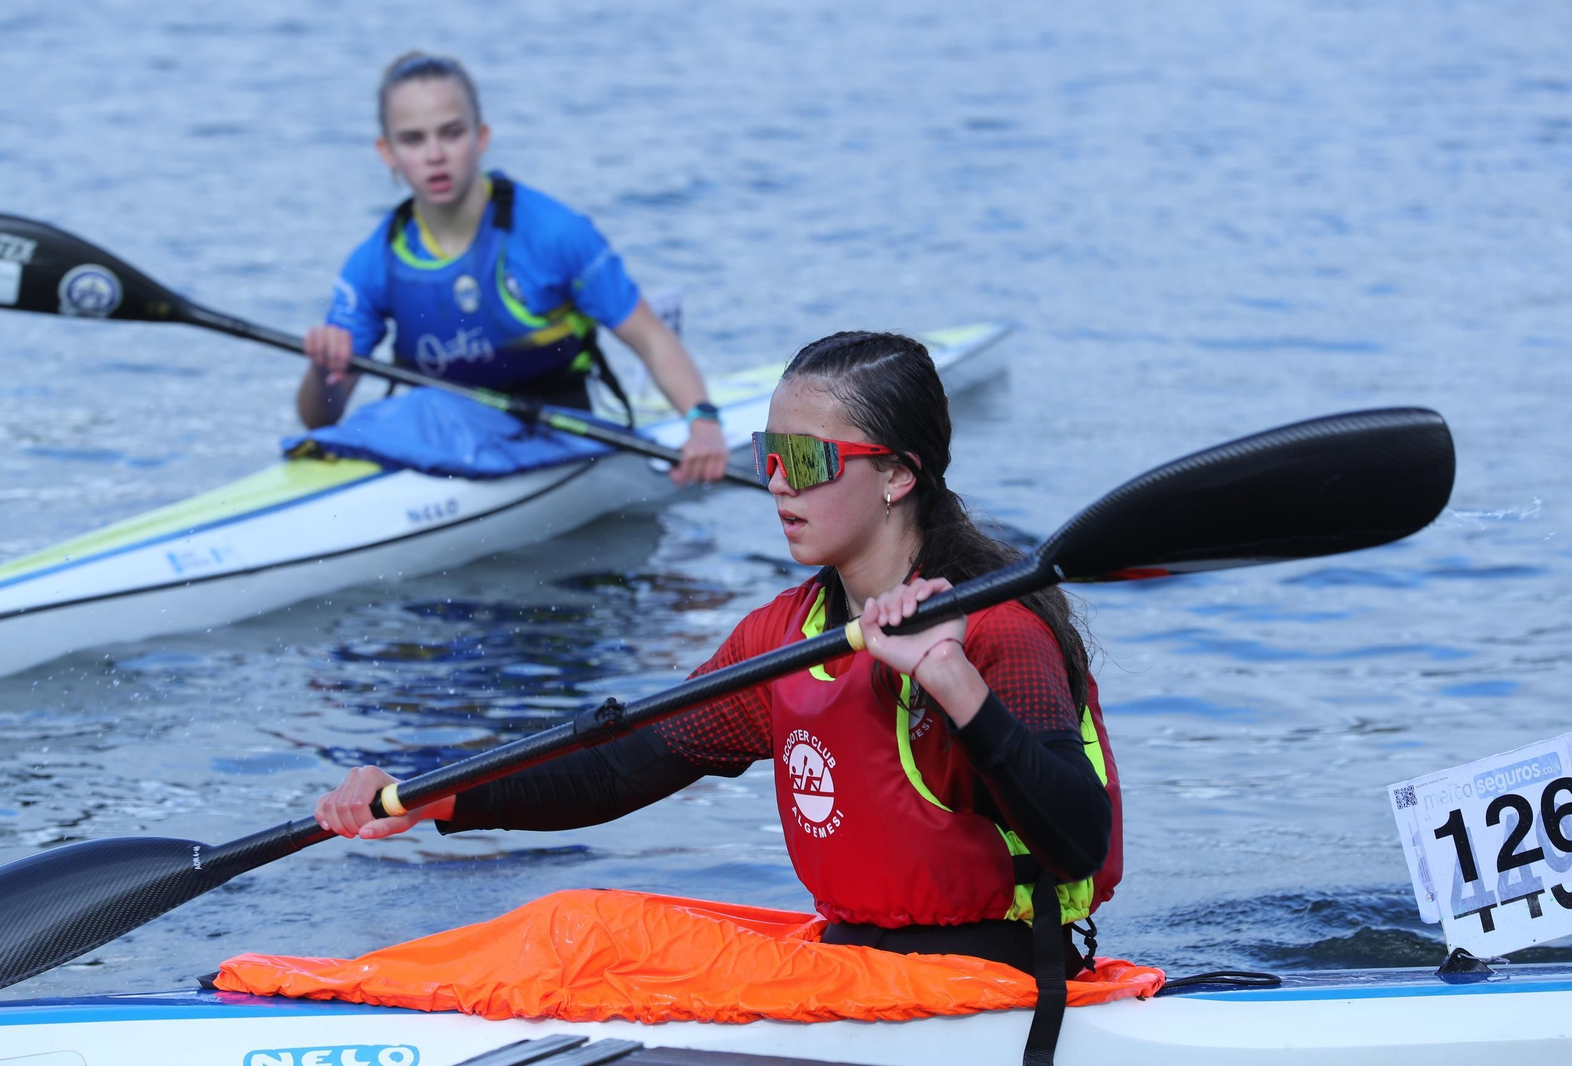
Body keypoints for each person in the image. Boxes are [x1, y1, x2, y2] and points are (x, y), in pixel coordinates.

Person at [316, 331, 1120, 974]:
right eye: (767, 454)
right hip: (856, 977)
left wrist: (950, 682)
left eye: (804, 461)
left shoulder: (997, 631)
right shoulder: (787, 636)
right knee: (578, 929)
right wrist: (435, 796)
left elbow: (1076, 839)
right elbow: (619, 765)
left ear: (897, 476)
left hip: (998, 988)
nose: (774, 483)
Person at [297, 52, 730, 486]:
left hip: (557, 435)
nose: (434, 155)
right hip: (443, 443)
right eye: (413, 139)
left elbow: (652, 339)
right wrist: (321, 371)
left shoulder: (552, 234)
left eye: (451, 133)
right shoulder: (374, 262)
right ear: (387, 152)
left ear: (480, 137)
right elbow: (321, 417)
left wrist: (703, 422)